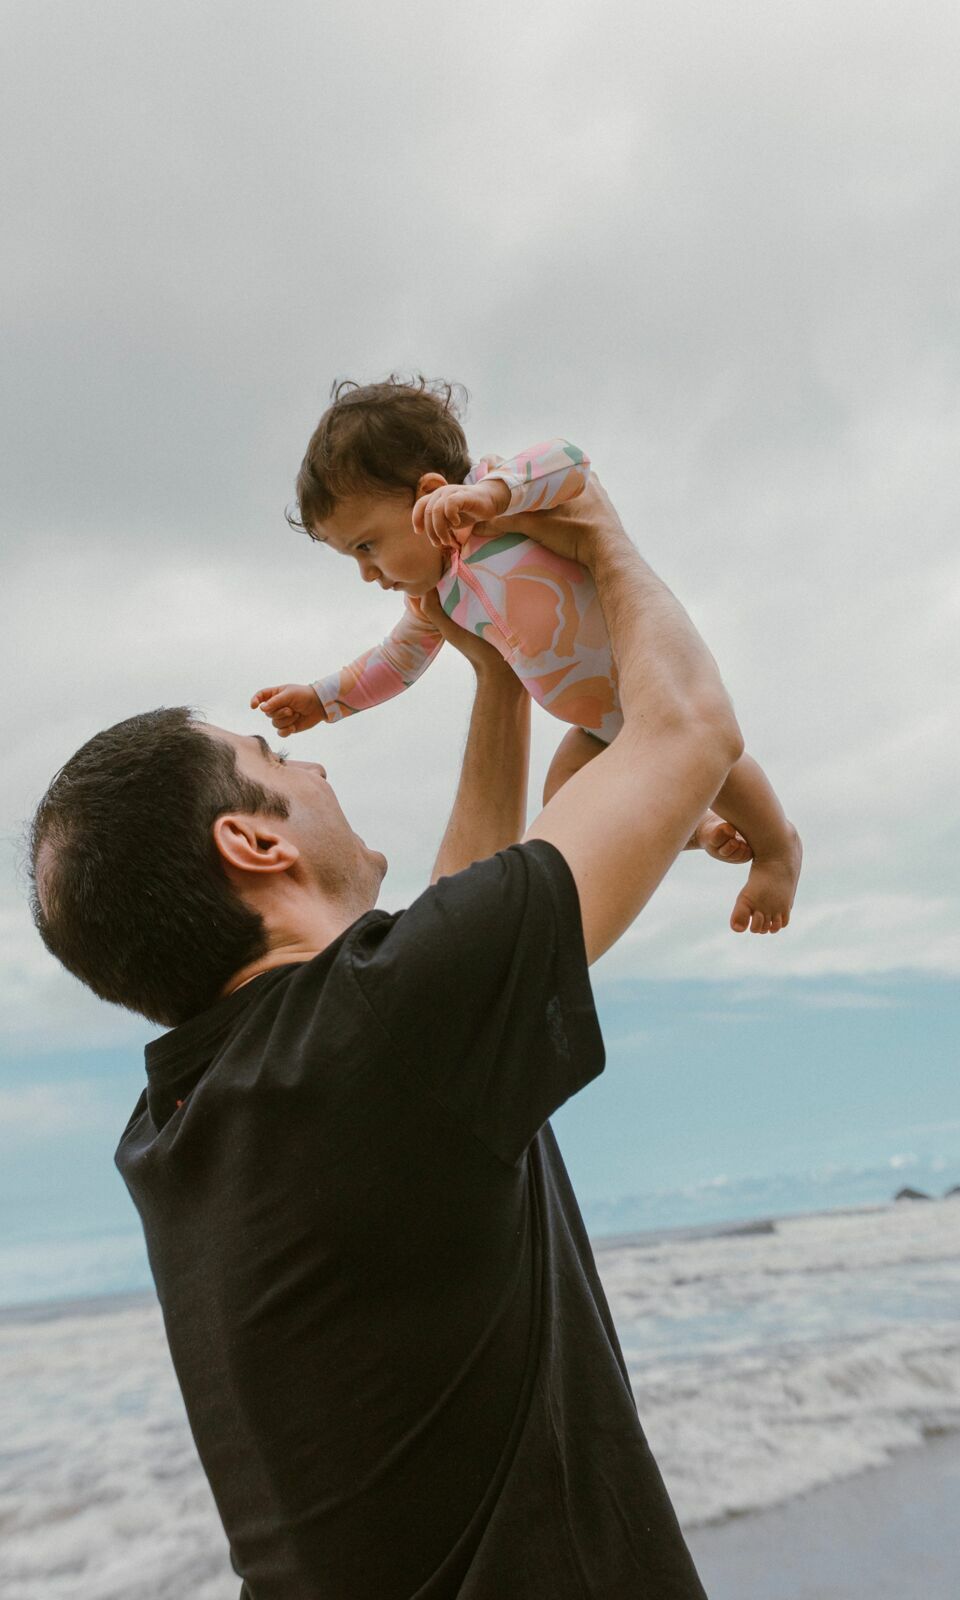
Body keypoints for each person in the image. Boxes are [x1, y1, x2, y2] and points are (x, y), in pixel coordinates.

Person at [28, 471, 741, 1598]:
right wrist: (598, 527)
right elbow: (690, 728)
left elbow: (436, 939)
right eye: (275, 762)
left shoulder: (184, 1120)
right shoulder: (381, 1032)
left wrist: (495, 676)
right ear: (254, 843)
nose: (313, 764)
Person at [251, 377, 801, 935]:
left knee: (715, 759)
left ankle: (779, 849)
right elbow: (394, 663)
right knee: (565, 801)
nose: (367, 572)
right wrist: (324, 698)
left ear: (430, 494)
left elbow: (570, 461)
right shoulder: (435, 596)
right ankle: (698, 826)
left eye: (367, 546)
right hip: (594, 725)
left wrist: (494, 495)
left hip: (646, 679)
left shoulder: (496, 499)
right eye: (353, 557)